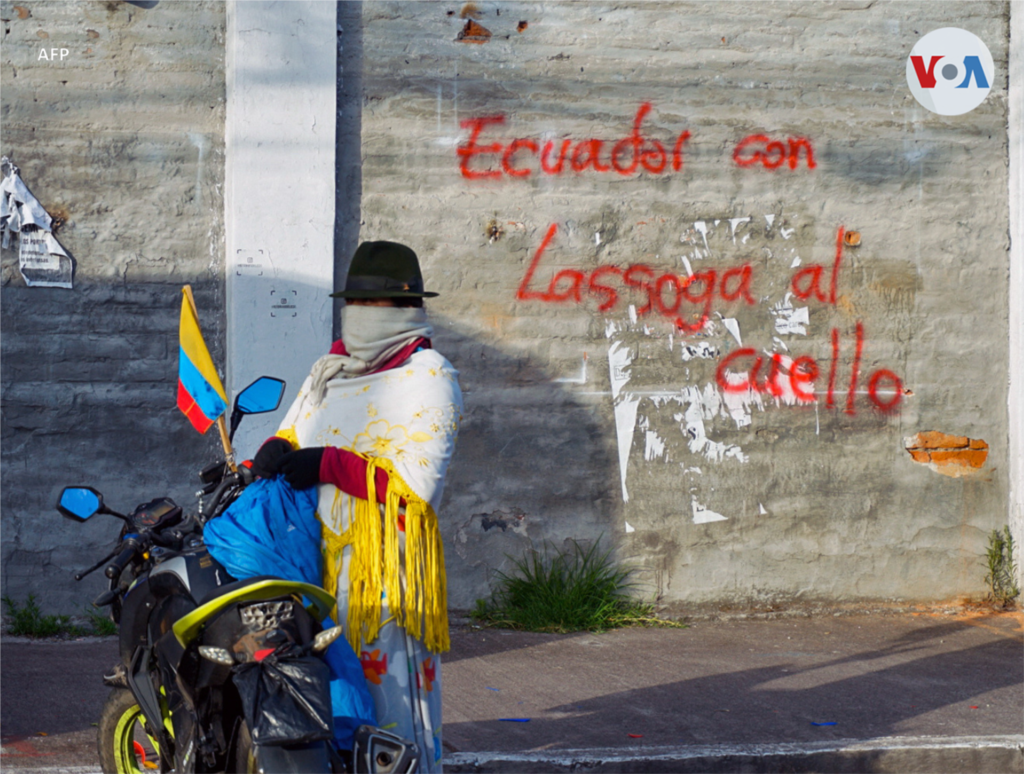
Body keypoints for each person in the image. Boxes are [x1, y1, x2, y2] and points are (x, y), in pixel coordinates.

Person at [252, 240, 462, 772]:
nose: (362, 316)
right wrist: (274, 451)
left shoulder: (430, 376)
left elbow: (416, 488)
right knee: (331, 708)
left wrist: (330, 465)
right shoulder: (330, 370)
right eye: (356, 304)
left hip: (385, 580)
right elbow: (292, 434)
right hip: (314, 573)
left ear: (406, 309)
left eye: (375, 306)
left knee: (393, 715)